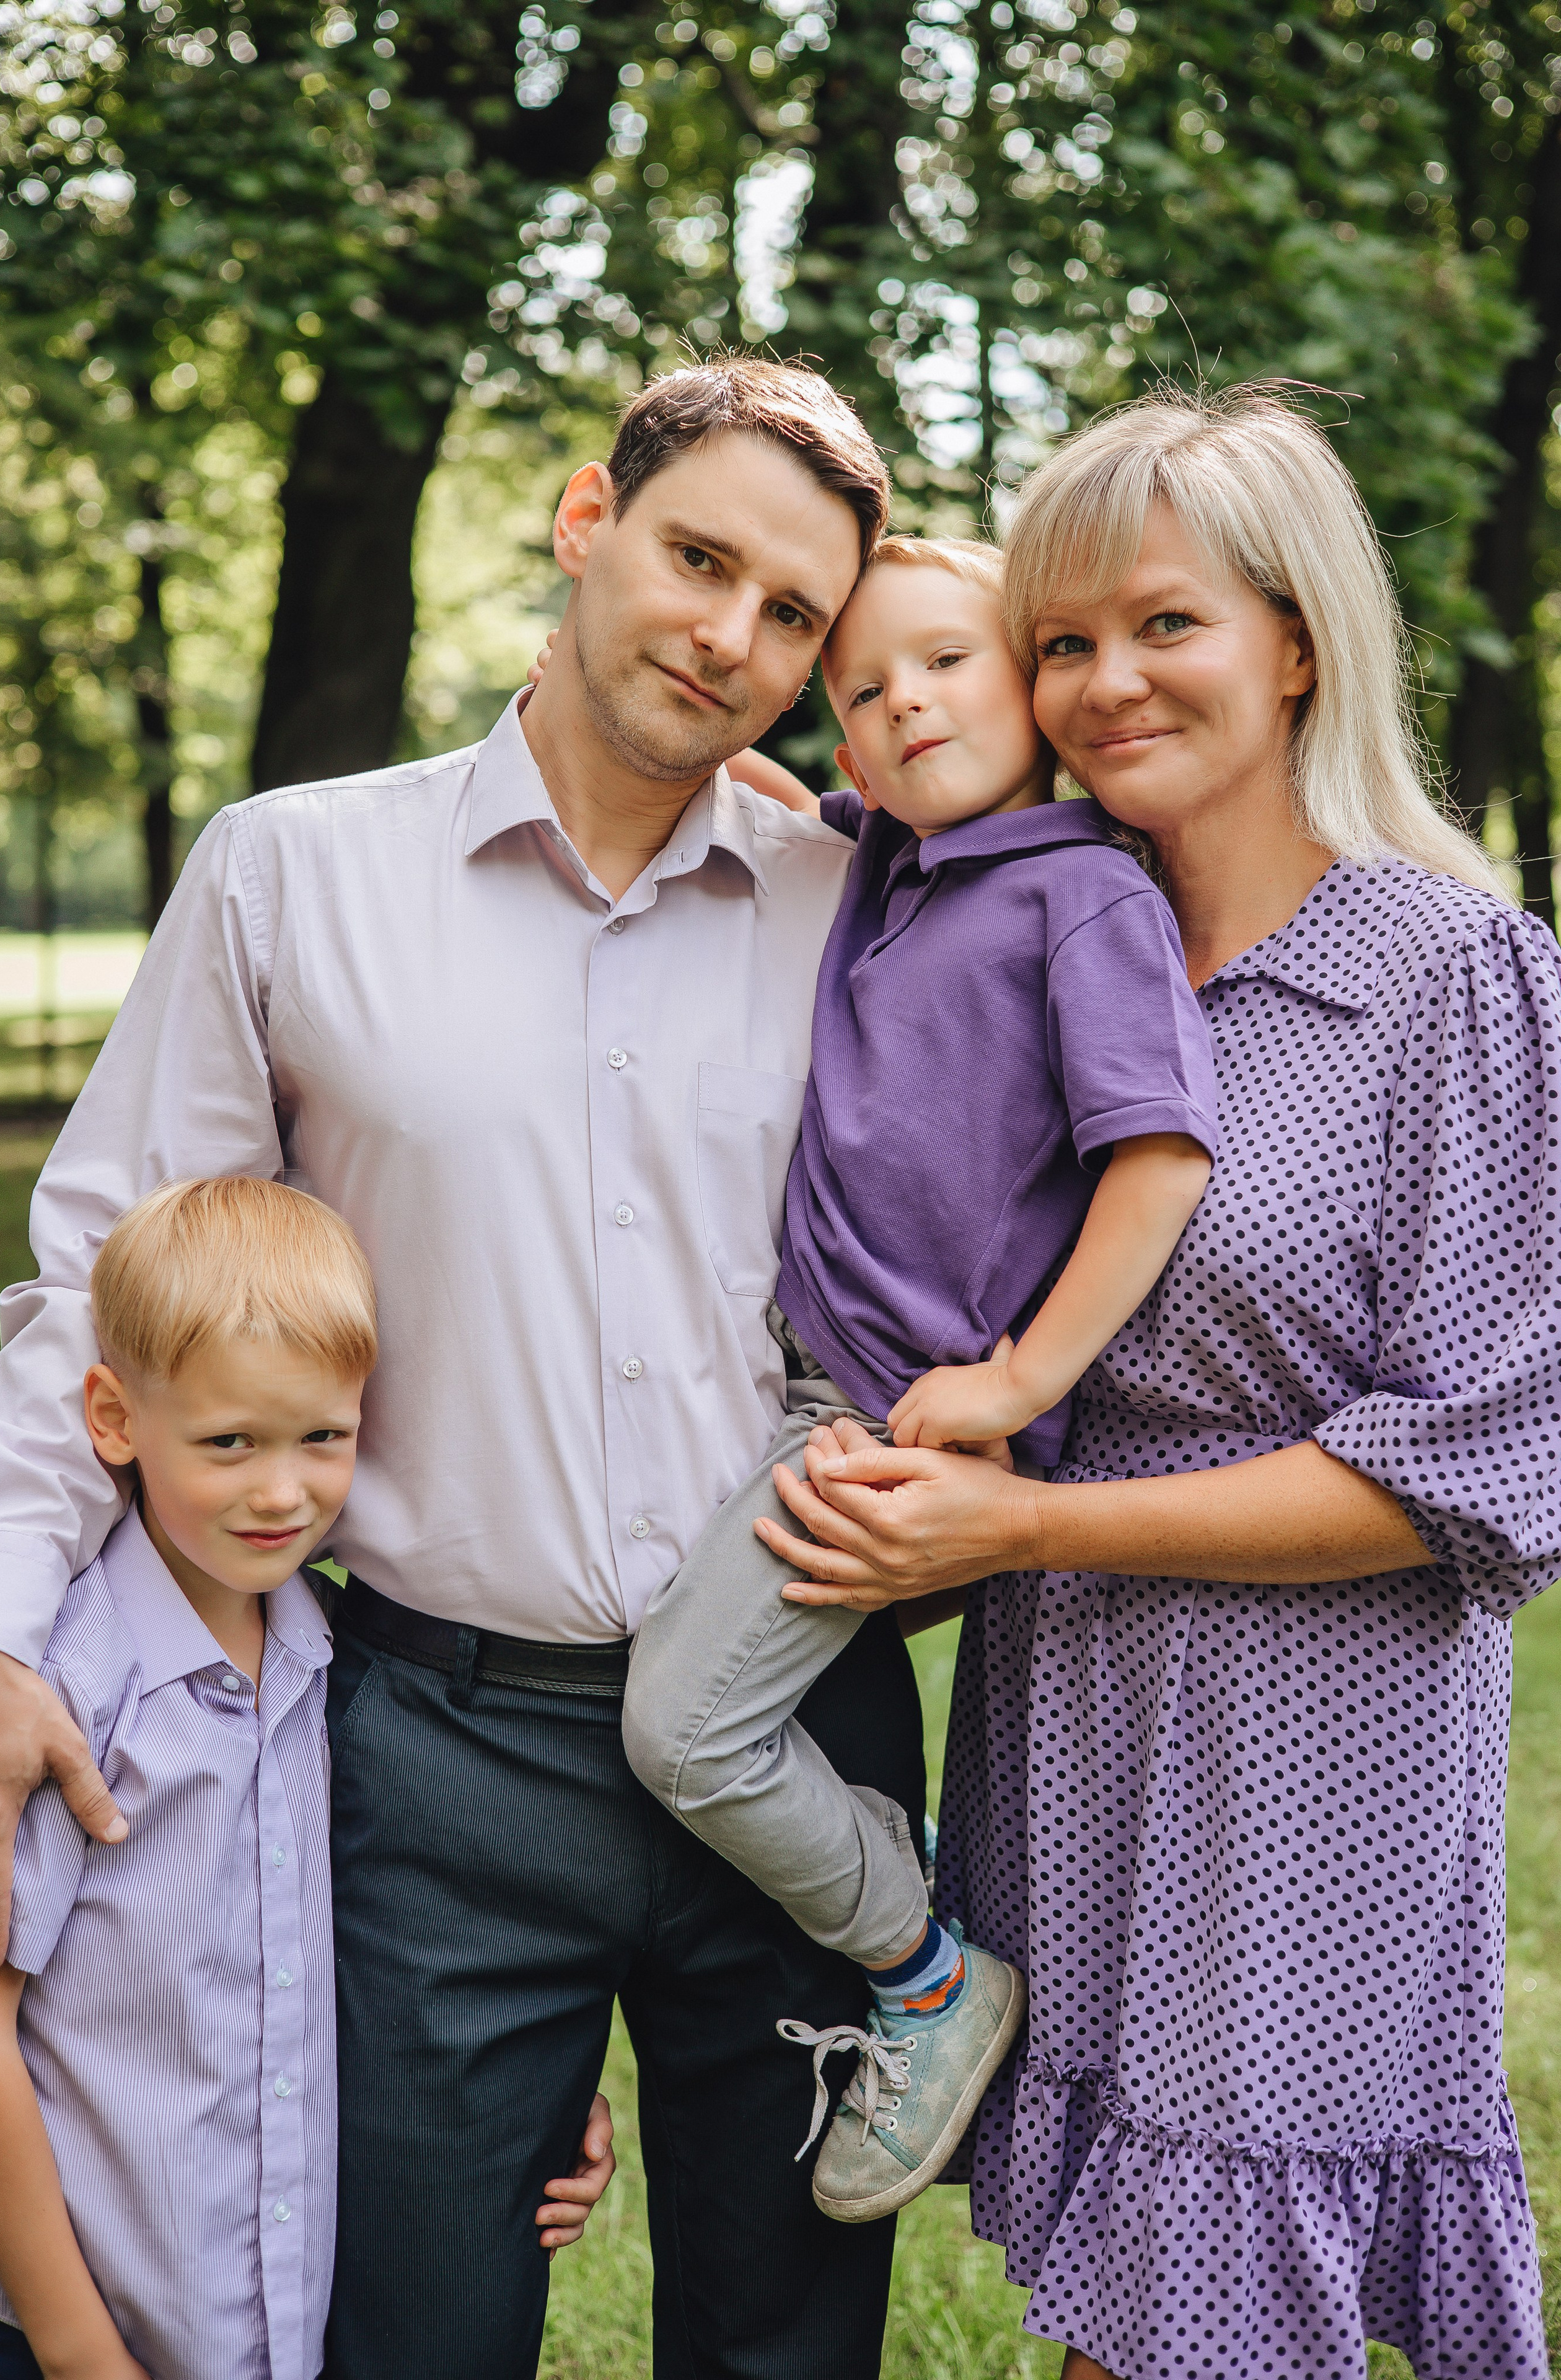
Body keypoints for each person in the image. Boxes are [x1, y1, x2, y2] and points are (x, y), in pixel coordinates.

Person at [0, 358, 918, 2380]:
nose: (731, 639)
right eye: (698, 560)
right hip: (432, 1749)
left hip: (799, 1717)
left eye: (792, 619)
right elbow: (97, 1290)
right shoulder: (289, 872)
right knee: (411, 2336)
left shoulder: (866, 910)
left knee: (792, 2346)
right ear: (587, 521)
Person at [749, 387, 1559, 2380]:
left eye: (1165, 625)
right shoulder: (1033, 928)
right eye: (1061, 641)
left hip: (1313, 1742)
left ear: (1297, 642)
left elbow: (1471, 1470)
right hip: (1076, 1711)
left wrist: (1022, 1516)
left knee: (1220, 2302)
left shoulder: (1450, 977)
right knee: (1122, 2312)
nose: (1107, 683)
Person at [622, 535, 1217, 2224]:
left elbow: (1161, 1160)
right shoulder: (893, 850)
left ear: (1030, 682)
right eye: (868, 692)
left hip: (889, 1415)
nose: (905, 705)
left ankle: (933, 1975)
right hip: (791, 1375)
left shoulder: (1083, 890)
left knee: (684, 1728)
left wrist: (1019, 1375)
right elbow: (783, 784)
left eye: (948, 662)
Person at [0, 1179, 613, 2380]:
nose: (283, 1491)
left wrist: (521, 2101)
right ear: (112, 1418)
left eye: (322, 1437)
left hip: (264, 2325)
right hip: (69, 2329)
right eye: (229, 1443)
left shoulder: (324, 1660)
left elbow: (342, 1963)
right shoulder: (70, 1691)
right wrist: (77, 2352)